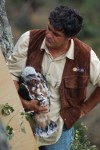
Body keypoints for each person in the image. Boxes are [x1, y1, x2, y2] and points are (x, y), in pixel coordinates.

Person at [7, 5, 100, 150]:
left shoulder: (85, 56)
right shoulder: (29, 40)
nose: (48, 35)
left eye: (56, 34)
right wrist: (25, 104)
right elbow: (11, 74)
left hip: (58, 132)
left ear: (70, 37)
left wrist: (84, 110)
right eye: (49, 28)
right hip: (22, 122)